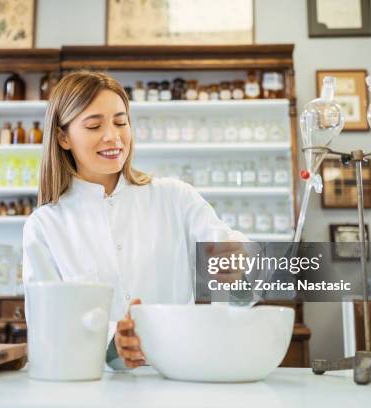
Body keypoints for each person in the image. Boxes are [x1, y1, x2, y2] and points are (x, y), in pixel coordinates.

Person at [23, 71, 250, 369]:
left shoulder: (175, 197)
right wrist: (112, 342)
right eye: (94, 125)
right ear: (63, 137)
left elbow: (237, 270)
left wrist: (237, 264)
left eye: (121, 122)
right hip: (91, 385)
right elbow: (47, 325)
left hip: (177, 377)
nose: (113, 136)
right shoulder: (45, 225)